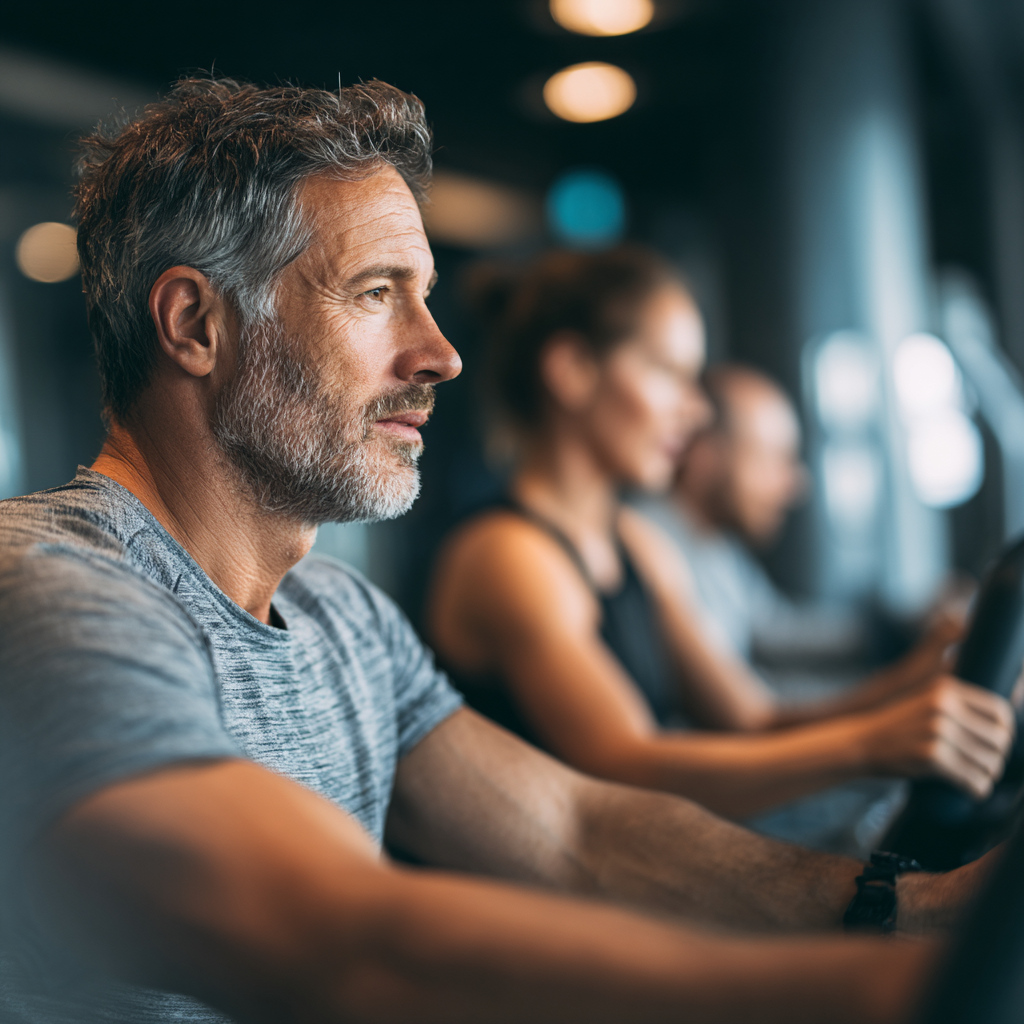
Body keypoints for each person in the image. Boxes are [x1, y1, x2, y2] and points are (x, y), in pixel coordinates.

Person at [0, 77, 1010, 1024]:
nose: (439, 354)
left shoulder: (341, 618)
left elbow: (576, 833)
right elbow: (341, 938)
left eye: (425, 294)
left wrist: (909, 909)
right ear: (196, 323)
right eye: (375, 293)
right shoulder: (50, 589)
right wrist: (901, 987)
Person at [427, 247, 1012, 828]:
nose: (697, 410)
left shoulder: (633, 539)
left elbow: (752, 721)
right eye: (669, 373)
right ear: (573, 369)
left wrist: (920, 680)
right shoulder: (508, 554)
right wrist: (871, 744)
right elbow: (627, 764)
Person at [637, 363, 867, 666]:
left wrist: (896, 629)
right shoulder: (649, 548)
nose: (796, 485)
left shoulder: (718, 549)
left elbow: (780, 631)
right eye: (773, 460)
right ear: (706, 457)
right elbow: (736, 694)